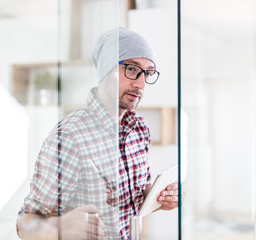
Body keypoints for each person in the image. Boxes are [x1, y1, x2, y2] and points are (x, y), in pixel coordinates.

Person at [17, 27, 179, 240]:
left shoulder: (139, 127)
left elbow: (135, 200)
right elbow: (25, 223)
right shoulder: (69, 136)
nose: (140, 83)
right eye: (132, 69)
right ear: (106, 69)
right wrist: (58, 229)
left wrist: (162, 198)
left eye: (147, 73)